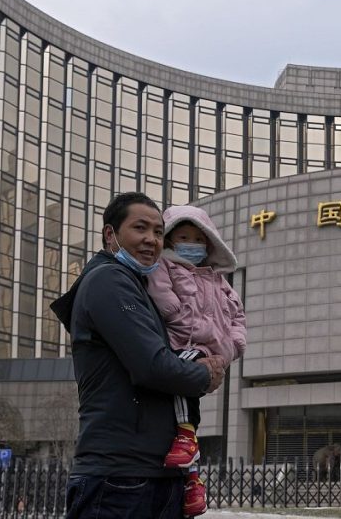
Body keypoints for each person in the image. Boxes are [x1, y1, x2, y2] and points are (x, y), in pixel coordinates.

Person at [50, 192, 227, 519]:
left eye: (159, 232)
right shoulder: (108, 280)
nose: (151, 240)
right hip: (119, 479)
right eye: (140, 228)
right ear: (110, 234)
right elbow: (152, 365)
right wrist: (205, 374)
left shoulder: (140, 286)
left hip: (150, 474)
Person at [147, 205, 247, 517]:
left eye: (199, 239)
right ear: (170, 240)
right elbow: (162, 297)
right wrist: (183, 319)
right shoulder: (163, 265)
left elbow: (238, 317)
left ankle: (189, 453)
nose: (192, 244)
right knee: (183, 385)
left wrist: (231, 348)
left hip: (213, 352)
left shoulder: (218, 279)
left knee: (186, 395)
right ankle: (191, 470)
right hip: (182, 345)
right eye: (183, 237)